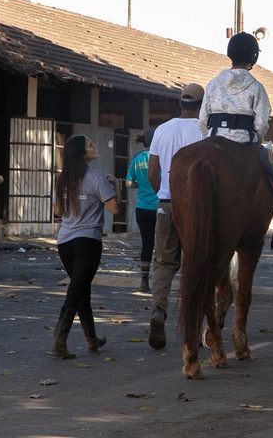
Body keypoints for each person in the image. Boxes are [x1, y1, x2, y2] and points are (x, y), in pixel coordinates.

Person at [199, 31, 273, 238]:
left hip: (214, 140)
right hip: (245, 144)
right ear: (254, 57)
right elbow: (262, 123)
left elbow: (203, 120)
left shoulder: (213, 84)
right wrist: (256, 138)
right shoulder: (256, 87)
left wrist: (209, 138)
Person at [49, 135, 122, 359]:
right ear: (82, 153)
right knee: (76, 290)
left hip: (64, 242)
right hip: (88, 241)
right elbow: (115, 209)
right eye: (91, 145)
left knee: (81, 288)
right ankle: (59, 340)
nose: (95, 146)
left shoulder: (62, 180)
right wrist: (117, 185)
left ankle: (92, 339)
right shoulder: (97, 178)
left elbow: (58, 211)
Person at [147, 83, 205, 349]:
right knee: (197, 265)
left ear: (180, 103)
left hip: (166, 205)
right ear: (201, 105)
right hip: (196, 209)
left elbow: (152, 173)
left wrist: (165, 195)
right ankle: (195, 326)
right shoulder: (205, 131)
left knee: (163, 264)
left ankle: (158, 311)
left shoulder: (162, 129)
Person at [125, 128, 158, 291]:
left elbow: (129, 183)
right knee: (164, 244)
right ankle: (160, 279)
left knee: (147, 243)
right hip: (160, 208)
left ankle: (144, 280)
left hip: (142, 208)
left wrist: (142, 185)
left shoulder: (137, 158)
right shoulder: (160, 157)